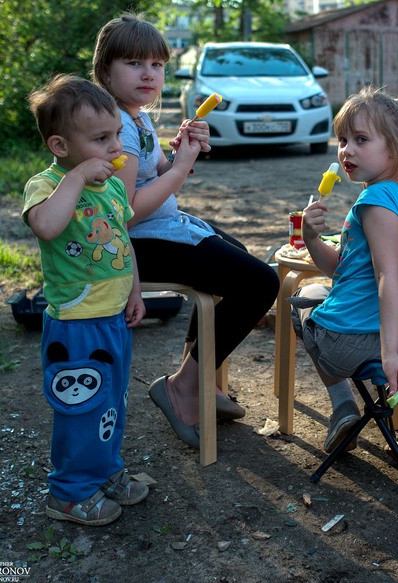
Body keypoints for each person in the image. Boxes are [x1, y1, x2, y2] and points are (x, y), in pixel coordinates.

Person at [92, 14, 280, 449]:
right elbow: (123, 213)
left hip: (157, 230)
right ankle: (183, 386)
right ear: (105, 71)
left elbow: (151, 174)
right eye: (134, 63)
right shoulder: (115, 127)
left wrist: (180, 152)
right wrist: (177, 172)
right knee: (259, 281)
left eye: (157, 65)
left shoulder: (134, 119)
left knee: (237, 253)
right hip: (134, 244)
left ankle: (201, 381)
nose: (148, 73)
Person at [291, 86, 398, 467]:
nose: (347, 151)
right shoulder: (397, 195)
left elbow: (387, 278)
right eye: (343, 140)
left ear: (395, 147)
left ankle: (343, 406)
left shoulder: (373, 201)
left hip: (348, 347)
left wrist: (388, 354)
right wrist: (311, 237)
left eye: (361, 140)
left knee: (303, 298)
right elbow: (340, 271)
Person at [23, 74, 149, 526]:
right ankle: (69, 493)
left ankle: (104, 471)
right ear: (60, 145)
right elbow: (47, 226)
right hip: (76, 322)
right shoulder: (47, 185)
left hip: (112, 316)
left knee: (112, 401)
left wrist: (135, 290)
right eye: (101, 139)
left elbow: (122, 241)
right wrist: (76, 176)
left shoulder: (113, 187)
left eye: (117, 134)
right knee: (80, 407)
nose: (116, 146)